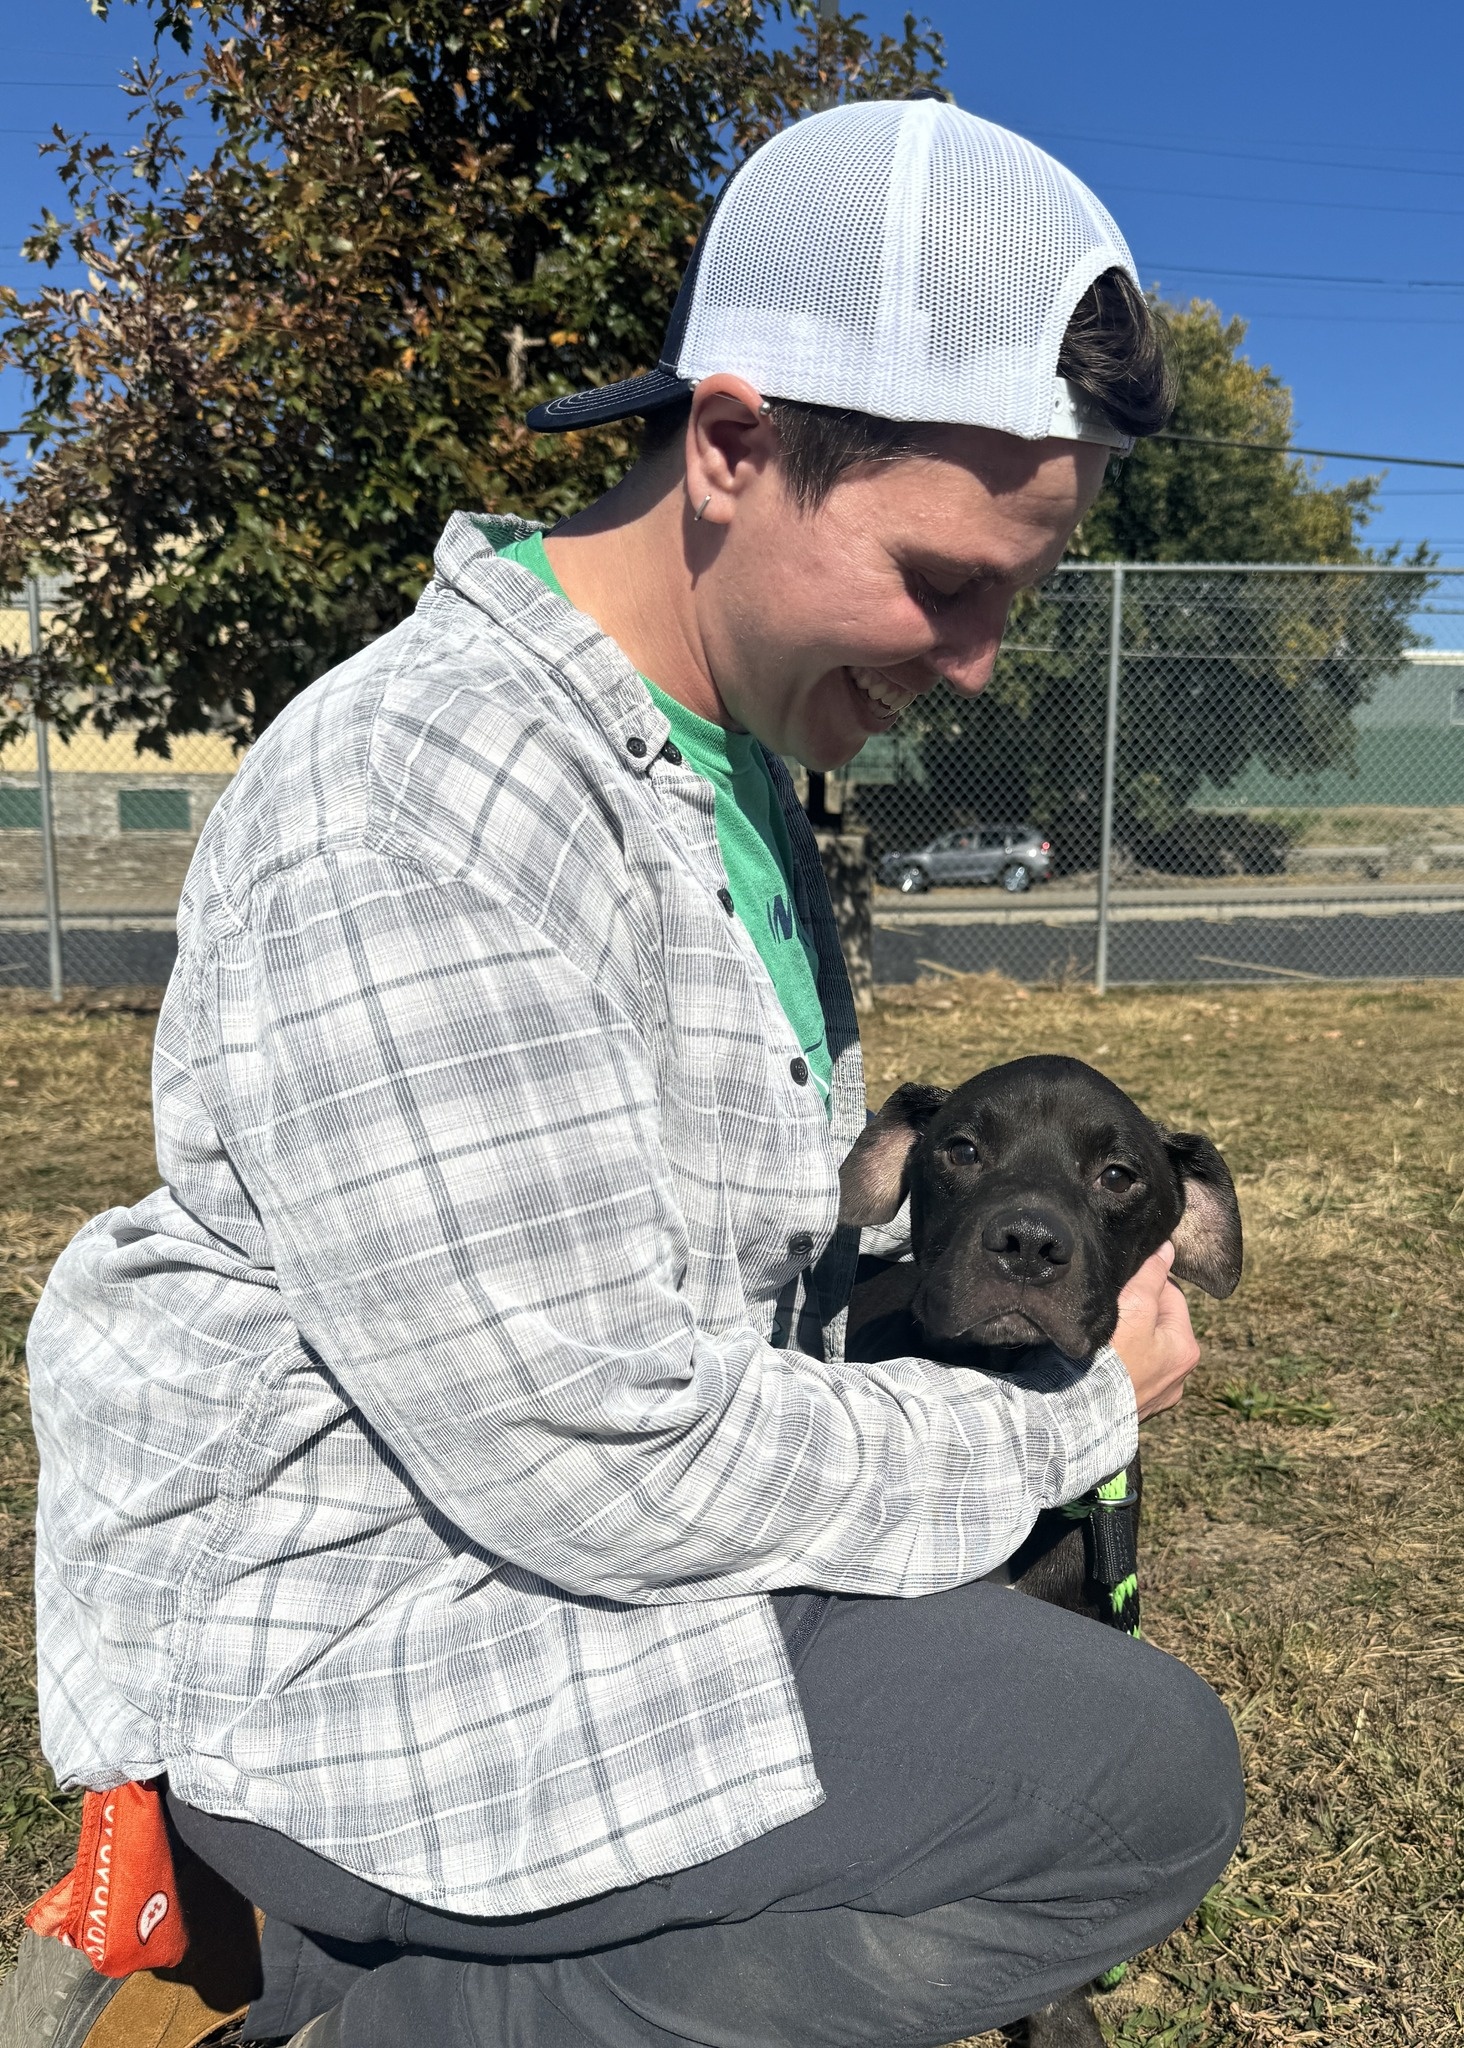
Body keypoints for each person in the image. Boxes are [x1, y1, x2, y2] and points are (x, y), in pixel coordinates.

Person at [17, 98, 1242, 2047]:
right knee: (1133, 1778)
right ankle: (368, 2015)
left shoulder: (734, 774)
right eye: (944, 577)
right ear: (737, 446)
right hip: (381, 1669)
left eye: (1017, 587)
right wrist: (1064, 1415)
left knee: (1032, 1702)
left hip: (556, 1577)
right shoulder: (424, 789)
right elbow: (608, 1458)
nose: (986, 659)